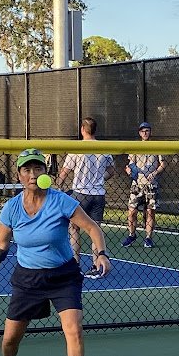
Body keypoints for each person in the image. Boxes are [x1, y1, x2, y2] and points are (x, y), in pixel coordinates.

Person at [0, 148, 112, 356]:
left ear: (44, 173)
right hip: (27, 279)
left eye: (37, 168)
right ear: (19, 174)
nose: (32, 173)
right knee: (10, 340)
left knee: (73, 329)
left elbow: (92, 228)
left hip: (63, 276)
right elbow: (0, 246)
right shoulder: (12, 208)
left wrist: (101, 253)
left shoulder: (60, 201)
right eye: (26, 169)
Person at [56, 117, 116, 278]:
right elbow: (111, 171)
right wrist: (98, 179)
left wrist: (58, 186)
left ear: (83, 129)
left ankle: (75, 264)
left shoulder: (77, 148)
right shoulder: (104, 148)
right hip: (98, 195)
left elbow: (64, 172)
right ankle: (97, 265)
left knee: (74, 228)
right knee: (94, 229)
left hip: (80, 194)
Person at [121, 122, 166, 248]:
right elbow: (129, 164)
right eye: (142, 131)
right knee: (131, 212)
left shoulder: (157, 147)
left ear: (150, 132)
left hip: (151, 185)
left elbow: (163, 164)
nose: (145, 133)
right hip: (137, 185)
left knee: (150, 212)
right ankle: (131, 235)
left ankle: (148, 238)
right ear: (139, 133)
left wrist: (155, 173)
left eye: (147, 130)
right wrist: (128, 170)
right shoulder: (135, 147)